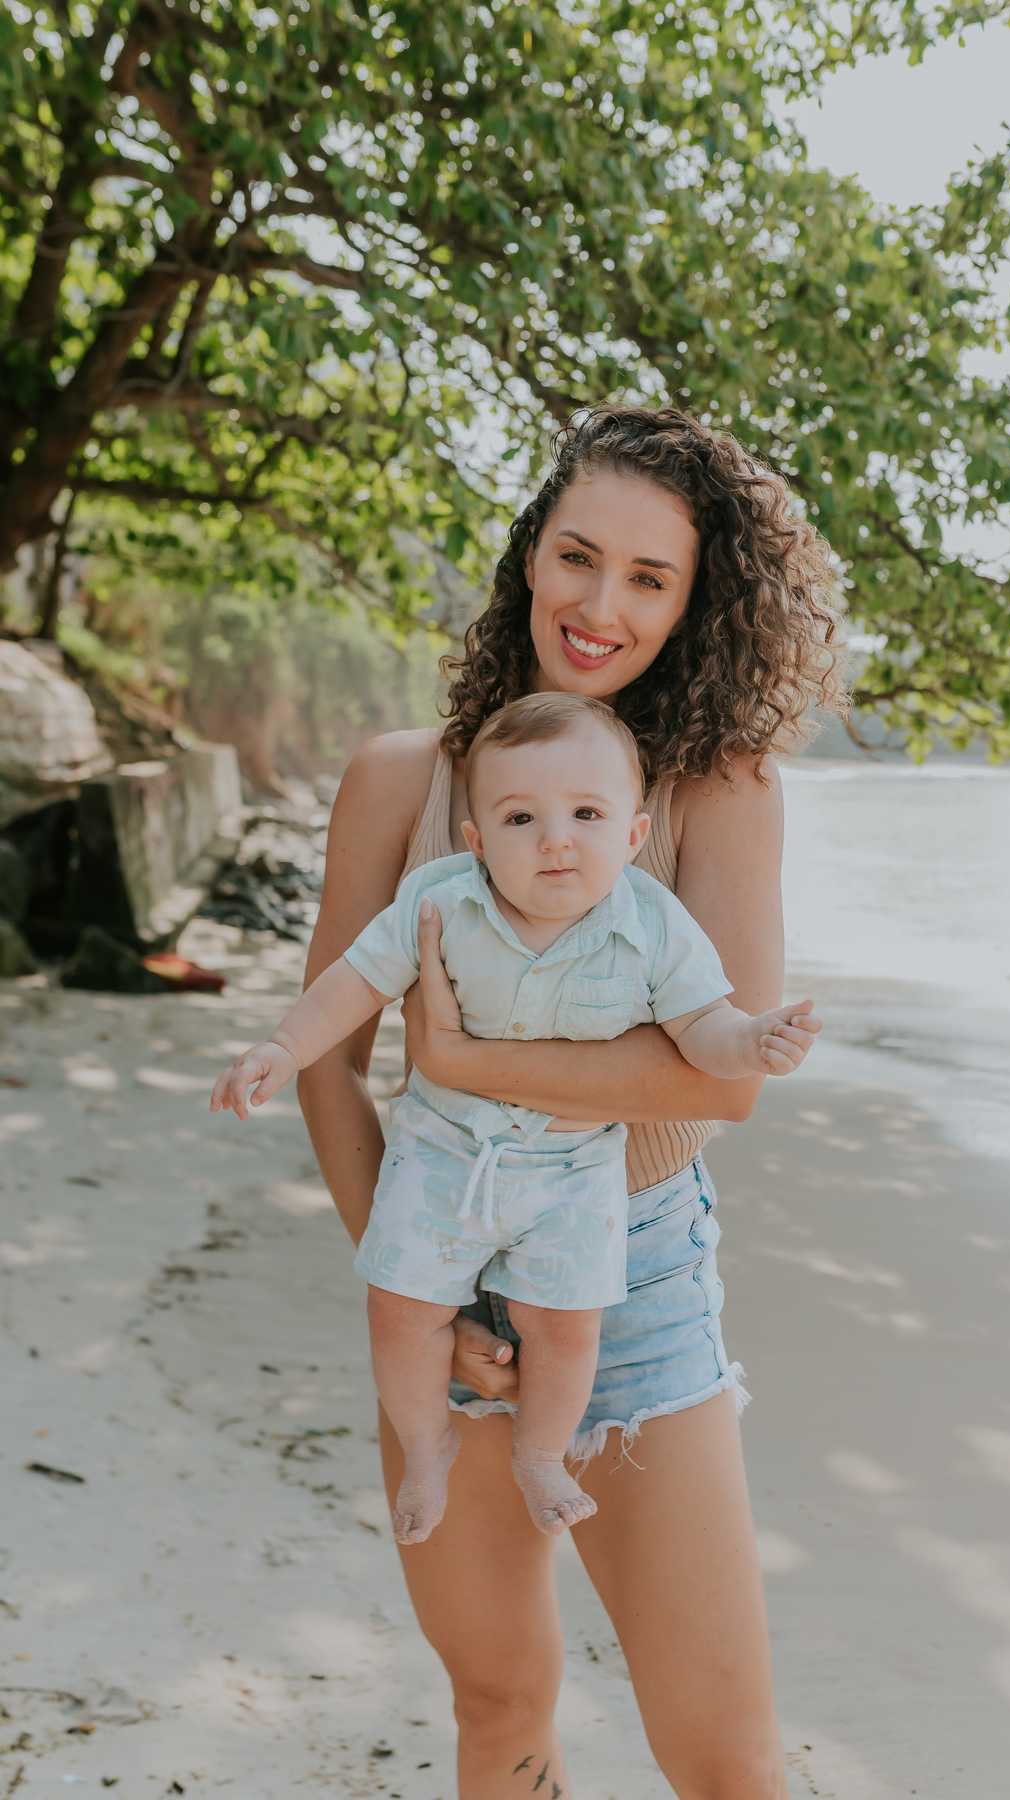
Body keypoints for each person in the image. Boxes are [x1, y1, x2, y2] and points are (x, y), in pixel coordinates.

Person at [296, 407, 841, 1799]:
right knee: (498, 1705)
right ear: (529, 554)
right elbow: (326, 1060)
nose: (601, 606)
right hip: (433, 1273)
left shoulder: (715, 792)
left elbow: (723, 1085)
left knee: (726, 1764)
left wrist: (473, 1063)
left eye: (650, 579)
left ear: (694, 604)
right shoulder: (402, 782)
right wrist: (417, 1273)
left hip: (635, 1281)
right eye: (579, 557)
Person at [210, 692, 816, 1546]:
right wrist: (282, 1047)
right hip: (440, 1160)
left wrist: (752, 1039)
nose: (554, 838)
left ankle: (540, 1453)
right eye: (521, 817)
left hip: (573, 1174)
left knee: (568, 1327)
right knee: (399, 1308)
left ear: (633, 836)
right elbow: (353, 982)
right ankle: (428, 1446)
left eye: (585, 814)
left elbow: (701, 1028)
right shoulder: (443, 899)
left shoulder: (650, 922)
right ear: (476, 840)